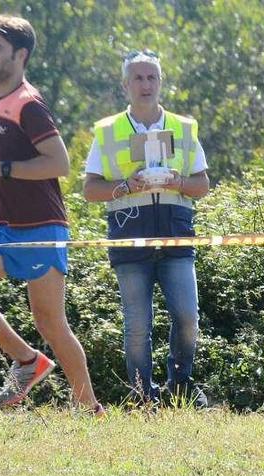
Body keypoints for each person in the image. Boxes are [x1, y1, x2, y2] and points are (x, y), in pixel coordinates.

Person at [0, 15, 101, 411]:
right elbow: (20, 159)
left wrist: (1, 170)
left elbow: (59, 163)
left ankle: (89, 407)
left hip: (40, 228)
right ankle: (26, 361)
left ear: (20, 55)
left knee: (50, 323)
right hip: (2, 225)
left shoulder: (29, 104)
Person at [83, 49, 210, 407]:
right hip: (128, 239)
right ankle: (142, 396)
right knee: (137, 328)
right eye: (138, 78)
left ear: (161, 83)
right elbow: (89, 190)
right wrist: (124, 186)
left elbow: (202, 185)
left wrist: (177, 181)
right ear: (125, 85)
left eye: (151, 77)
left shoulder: (183, 128)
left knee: (187, 318)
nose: (145, 84)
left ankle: (179, 386)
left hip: (175, 236)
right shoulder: (107, 131)